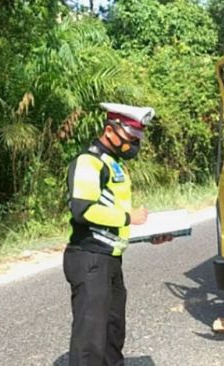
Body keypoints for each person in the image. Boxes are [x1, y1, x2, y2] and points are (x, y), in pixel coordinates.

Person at [63, 102, 172, 366]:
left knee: (112, 333)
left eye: (137, 138)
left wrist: (148, 232)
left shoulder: (113, 163)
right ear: (110, 130)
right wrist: (128, 218)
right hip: (90, 257)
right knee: (90, 340)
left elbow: (111, 211)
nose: (133, 144)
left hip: (110, 259)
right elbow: (83, 210)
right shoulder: (89, 162)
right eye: (130, 137)